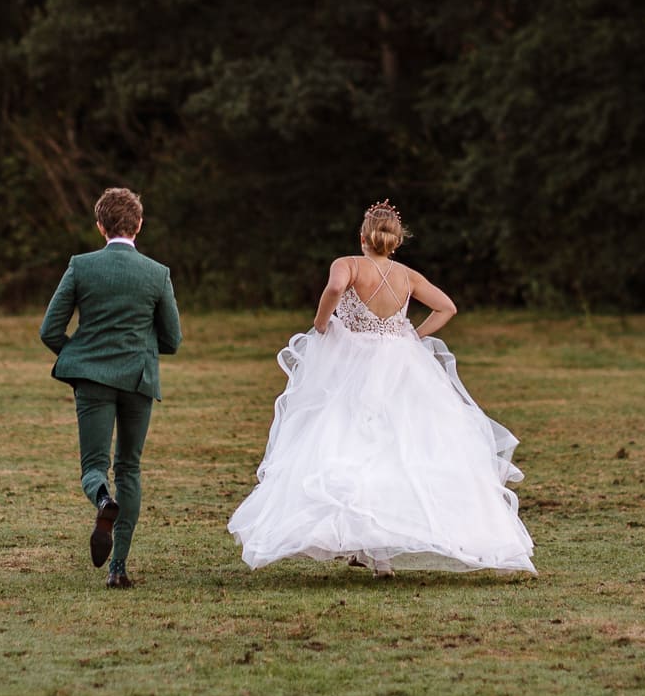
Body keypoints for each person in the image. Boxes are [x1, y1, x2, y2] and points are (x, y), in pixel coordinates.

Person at [227, 199, 535, 578]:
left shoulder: (348, 264)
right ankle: (377, 553)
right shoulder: (408, 276)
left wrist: (321, 323)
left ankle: (368, 546)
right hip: (401, 365)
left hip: (353, 363)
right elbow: (447, 307)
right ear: (395, 242)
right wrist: (412, 335)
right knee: (398, 448)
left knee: (349, 444)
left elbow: (336, 287)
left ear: (362, 237)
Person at [40, 185, 182, 589]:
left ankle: (103, 500)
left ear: (100, 226)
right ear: (138, 225)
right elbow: (172, 340)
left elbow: (50, 329)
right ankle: (118, 568)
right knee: (130, 467)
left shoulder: (81, 266)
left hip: (93, 380)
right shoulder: (157, 273)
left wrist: (79, 357)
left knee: (94, 467)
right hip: (138, 379)